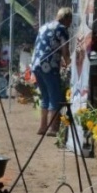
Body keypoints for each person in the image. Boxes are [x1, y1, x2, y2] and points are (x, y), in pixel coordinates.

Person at [30, 8, 71, 136]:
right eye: (70, 20)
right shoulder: (62, 29)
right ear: (66, 18)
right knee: (55, 96)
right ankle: (53, 129)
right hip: (49, 66)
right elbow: (65, 51)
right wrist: (69, 63)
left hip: (36, 64)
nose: (70, 24)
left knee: (45, 96)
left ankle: (42, 127)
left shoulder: (44, 26)